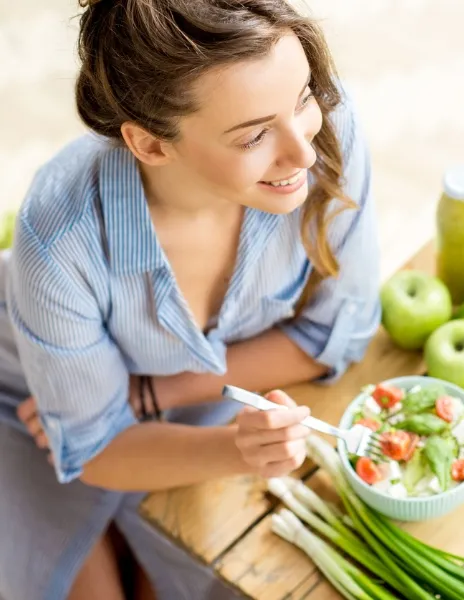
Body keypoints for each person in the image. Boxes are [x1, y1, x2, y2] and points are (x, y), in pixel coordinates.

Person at [0, 0, 381, 598]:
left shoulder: (324, 134)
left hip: (171, 400)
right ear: (150, 145)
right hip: (28, 399)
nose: (303, 153)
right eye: (255, 135)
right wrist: (237, 447)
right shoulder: (59, 234)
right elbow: (98, 446)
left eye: (303, 96)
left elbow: (340, 330)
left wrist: (157, 393)